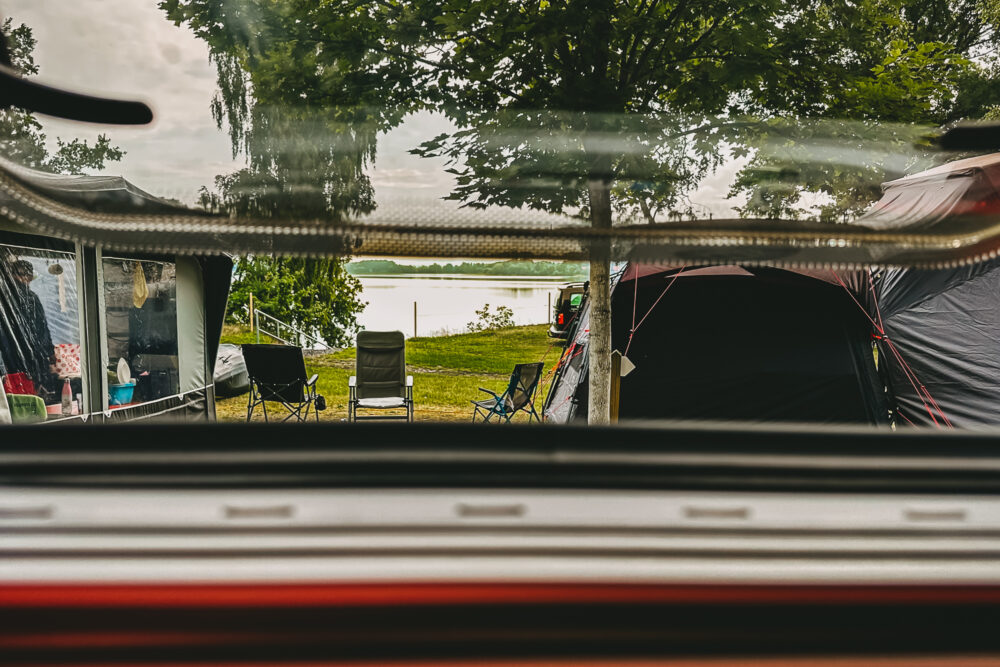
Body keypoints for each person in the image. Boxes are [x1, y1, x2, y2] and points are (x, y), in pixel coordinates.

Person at [0, 257, 55, 396]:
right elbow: (43, 327)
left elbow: (42, 326)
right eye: (24, 275)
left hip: (10, 357)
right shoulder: (31, 298)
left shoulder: (5, 298)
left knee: (14, 392)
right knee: (32, 391)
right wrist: (49, 352)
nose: (27, 279)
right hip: (32, 356)